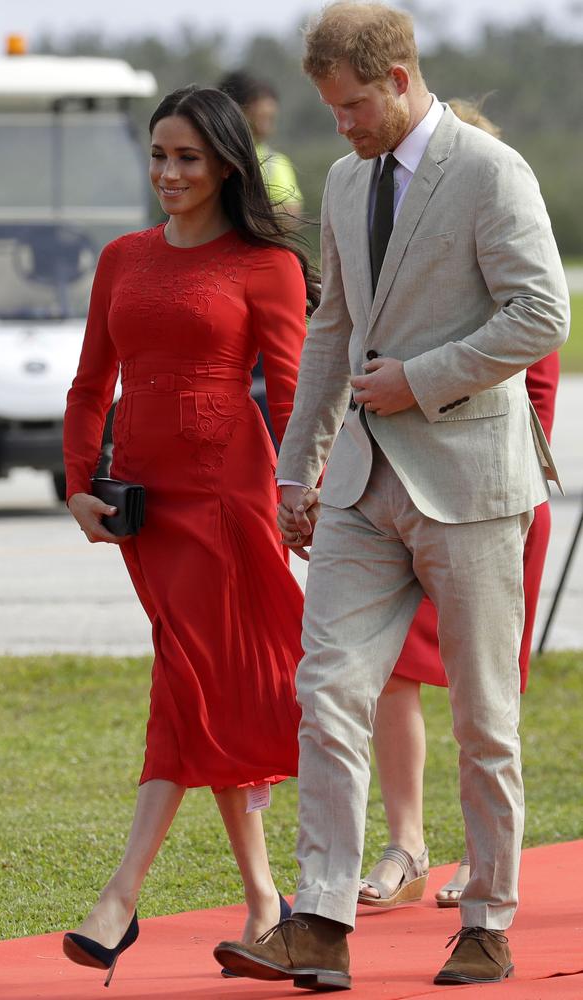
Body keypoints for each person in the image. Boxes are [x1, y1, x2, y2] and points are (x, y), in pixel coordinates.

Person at [214, 2, 569, 991]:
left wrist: (420, 377)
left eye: (354, 105)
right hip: (361, 490)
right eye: (328, 108)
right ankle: (319, 922)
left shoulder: (490, 172)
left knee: (481, 719)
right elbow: (329, 335)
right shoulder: (339, 180)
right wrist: (294, 468)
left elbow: (541, 312)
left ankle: (487, 921)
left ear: (401, 75)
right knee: (324, 690)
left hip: (470, 485)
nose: (342, 125)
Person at [61, 84, 318, 987]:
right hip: (147, 507)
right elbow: (90, 385)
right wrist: (77, 484)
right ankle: (262, 903)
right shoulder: (121, 259)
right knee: (194, 677)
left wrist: (303, 493)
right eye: (159, 155)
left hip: (231, 499)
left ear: (226, 166)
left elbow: (289, 396)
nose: (168, 173)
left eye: (188, 159)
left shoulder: (267, 266)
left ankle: (120, 900)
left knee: (189, 677)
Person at [358, 100, 561, 910]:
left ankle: (487, 867)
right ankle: (405, 843)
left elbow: (536, 394)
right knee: (390, 673)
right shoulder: (402, 278)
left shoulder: (514, 291)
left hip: (489, 495)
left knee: (486, 699)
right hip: (397, 494)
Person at [218, 69, 304, 215]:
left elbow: (290, 213)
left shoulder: (275, 163)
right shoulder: (208, 154)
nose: (269, 128)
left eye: (270, 119)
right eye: (262, 118)